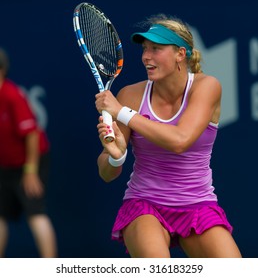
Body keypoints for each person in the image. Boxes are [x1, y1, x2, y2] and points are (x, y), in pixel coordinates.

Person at [95, 14, 242, 258]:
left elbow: (180, 140)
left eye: (156, 49)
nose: (146, 57)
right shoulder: (131, 95)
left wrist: (121, 112)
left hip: (198, 205)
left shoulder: (207, 86)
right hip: (145, 205)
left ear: (180, 54)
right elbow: (106, 175)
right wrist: (116, 157)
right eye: (144, 49)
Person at [0, 48, 57, 258]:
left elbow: (32, 134)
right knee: (1, 215)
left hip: (30, 164)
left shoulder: (12, 96)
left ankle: (50, 267)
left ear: (2, 71)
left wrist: (30, 171)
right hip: (5, 166)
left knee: (35, 213)